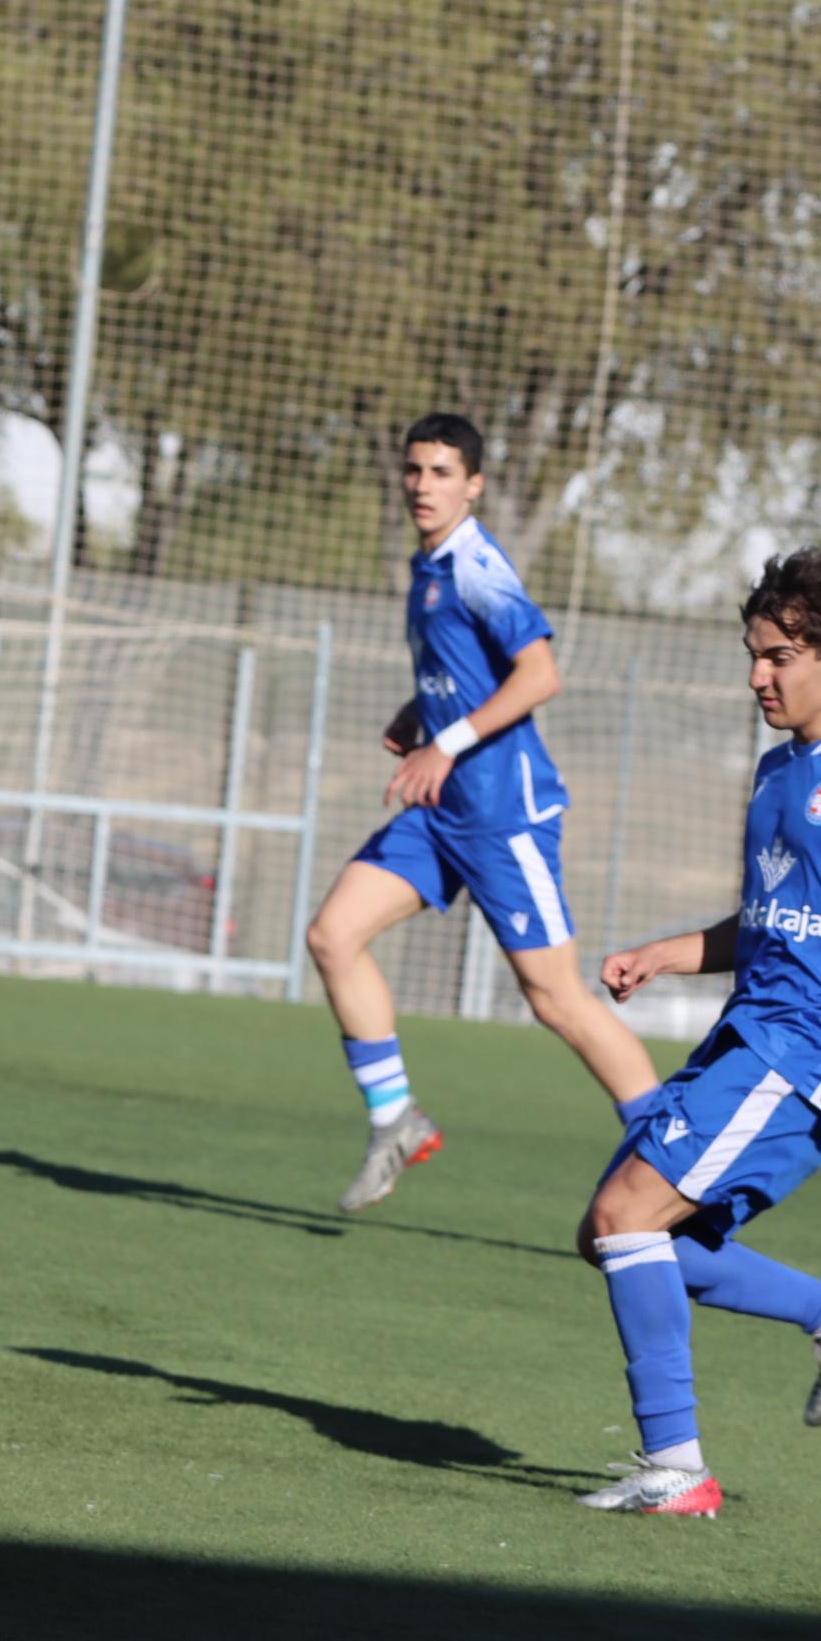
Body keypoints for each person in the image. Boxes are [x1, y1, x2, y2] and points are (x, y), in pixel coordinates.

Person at [575, 550, 821, 1517]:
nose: (758, 676)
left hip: (809, 1053)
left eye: (779, 657)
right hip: (747, 1036)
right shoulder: (776, 769)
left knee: (628, 1218)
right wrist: (667, 954)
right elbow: (768, 921)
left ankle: (678, 1470)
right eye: (754, 655)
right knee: (614, 1236)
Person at [307, 413, 657, 1212]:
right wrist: (419, 715)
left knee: (555, 998)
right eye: (414, 470)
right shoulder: (426, 565)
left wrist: (446, 742)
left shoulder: (477, 564)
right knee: (333, 935)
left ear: (474, 485)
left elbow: (539, 675)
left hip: (504, 814)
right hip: (442, 809)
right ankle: (395, 1118)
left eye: (441, 472)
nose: (422, 485)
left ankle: (672, 1150)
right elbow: (465, 672)